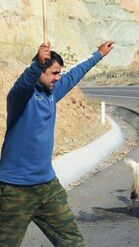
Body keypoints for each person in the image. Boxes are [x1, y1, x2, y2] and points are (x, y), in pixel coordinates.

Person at [0, 40, 114, 246]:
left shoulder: (52, 93)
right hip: (15, 191)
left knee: (72, 241)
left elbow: (74, 74)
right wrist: (36, 65)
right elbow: (24, 83)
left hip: (47, 187)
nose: (58, 78)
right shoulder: (20, 98)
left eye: (58, 73)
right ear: (40, 72)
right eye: (53, 73)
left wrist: (98, 55)